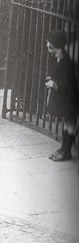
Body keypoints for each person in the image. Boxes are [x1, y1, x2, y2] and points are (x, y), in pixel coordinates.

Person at [45, 30, 79, 162]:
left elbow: (67, 84)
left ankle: (66, 151)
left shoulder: (66, 63)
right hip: (67, 98)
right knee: (67, 123)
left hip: (70, 99)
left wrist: (54, 84)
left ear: (55, 46)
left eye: (49, 46)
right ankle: (64, 149)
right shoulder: (61, 58)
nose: (48, 49)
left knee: (69, 124)